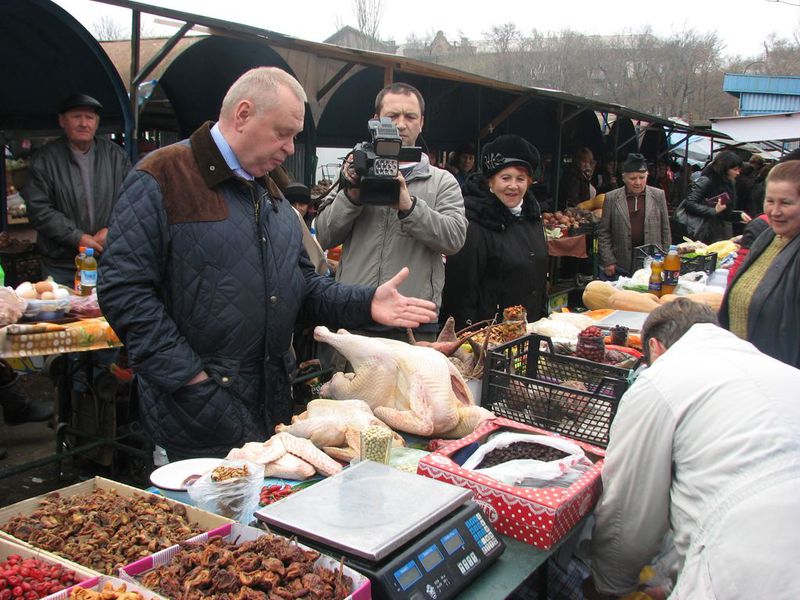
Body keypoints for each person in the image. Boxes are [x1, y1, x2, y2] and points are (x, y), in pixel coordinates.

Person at [97, 67, 438, 461]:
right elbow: (124, 292)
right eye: (283, 133)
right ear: (243, 114)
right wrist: (191, 381)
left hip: (268, 407)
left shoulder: (270, 192)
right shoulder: (162, 176)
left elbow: (303, 285)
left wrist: (366, 302)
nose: (291, 148)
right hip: (193, 416)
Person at [586, 298, 800, 599]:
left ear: (655, 347)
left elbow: (629, 510)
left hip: (748, 564)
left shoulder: (660, 381)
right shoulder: (777, 368)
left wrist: (610, 587)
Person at [315, 82, 467, 342]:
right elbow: (323, 236)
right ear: (376, 121)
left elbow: (454, 239)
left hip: (411, 320)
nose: (400, 124)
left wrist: (409, 207)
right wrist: (351, 195)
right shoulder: (354, 172)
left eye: (410, 116)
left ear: (422, 123)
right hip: (355, 313)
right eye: (392, 116)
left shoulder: (442, 181)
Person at [22, 94, 132, 285]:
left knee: (104, 313)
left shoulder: (116, 156)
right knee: (64, 313)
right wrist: (77, 237)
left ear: (97, 123)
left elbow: (132, 199)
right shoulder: (45, 159)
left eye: (89, 118)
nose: (83, 123)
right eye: (76, 116)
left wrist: (112, 229)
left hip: (108, 259)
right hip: (62, 263)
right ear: (62, 121)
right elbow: (38, 209)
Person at [440, 135, 548, 328]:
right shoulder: (474, 221)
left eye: (520, 179)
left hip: (528, 331)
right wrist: (467, 338)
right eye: (505, 178)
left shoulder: (532, 216)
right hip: (489, 337)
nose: (513, 186)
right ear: (490, 181)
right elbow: (462, 290)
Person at [719, 160, 800, 369]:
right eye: (770, 201)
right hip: (745, 370)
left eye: (786, 203)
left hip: (780, 382)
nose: (775, 211)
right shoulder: (768, 238)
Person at [597, 153, 671, 279]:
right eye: (633, 178)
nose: (638, 182)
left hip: (651, 263)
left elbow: (665, 229)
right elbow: (604, 232)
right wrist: (608, 260)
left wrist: (665, 257)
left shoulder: (658, 195)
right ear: (624, 178)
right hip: (621, 264)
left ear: (647, 176)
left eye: (642, 177)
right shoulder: (612, 198)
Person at [682, 150, 750, 243]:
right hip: (700, 232)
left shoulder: (729, 184)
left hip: (716, 232)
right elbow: (689, 203)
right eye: (735, 169)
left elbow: (724, 214)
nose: (738, 173)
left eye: (739, 169)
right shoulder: (706, 181)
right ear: (724, 168)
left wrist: (739, 215)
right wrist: (713, 211)